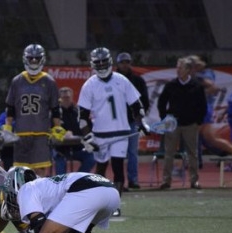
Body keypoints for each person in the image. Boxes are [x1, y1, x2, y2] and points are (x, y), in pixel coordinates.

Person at [78, 47, 149, 217]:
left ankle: (114, 205)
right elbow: (82, 116)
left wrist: (141, 123)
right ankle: (99, 204)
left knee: (118, 168)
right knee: (100, 171)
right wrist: (88, 136)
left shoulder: (121, 80)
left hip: (121, 133)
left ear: (109, 62)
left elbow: (136, 105)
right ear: (93, 64)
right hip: (101, 134)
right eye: (98, 62)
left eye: (104, 62)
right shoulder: (90, 85)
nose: (102, 65)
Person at [3, 44, 62, 177]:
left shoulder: (49, 81)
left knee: (40, 171)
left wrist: (57, 128)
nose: (34, 61)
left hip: (41, 133)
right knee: (20, 172)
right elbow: (11, 108)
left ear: (42, 59)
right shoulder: (17, 81)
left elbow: (55, 109)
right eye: (31, 58)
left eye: (37, 58)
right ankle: (21, 197)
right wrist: (7, 127)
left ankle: (39, 197)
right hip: (21, 134)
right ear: (25, 59)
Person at [157, 57, 207, 190]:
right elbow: (161, 102)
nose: (178, 70)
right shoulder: (171, 85)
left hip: (190, 124)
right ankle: (166, 181)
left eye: (181, 68)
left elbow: (202, 105)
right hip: (173, 124)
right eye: (177, 67)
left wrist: (198, 121)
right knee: (169, 153)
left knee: (192, 153)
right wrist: (164, 118)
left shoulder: (196, 86)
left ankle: (194, 181)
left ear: (189, 70)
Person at [188, 55, 232, 169]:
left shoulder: (205, 73)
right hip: (199, 109)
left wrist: (196, 80)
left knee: (191, 135)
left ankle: (189, 164)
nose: (196, 65)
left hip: (203, 109)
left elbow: (213, 87)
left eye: (197, 62)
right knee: (210, 139)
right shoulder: (192, 75)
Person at [115, 52, 150, 190]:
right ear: (118, 64)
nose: (125, 64)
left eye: (127, 62)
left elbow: (144, 101)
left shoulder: (138, 80)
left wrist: (139, 119)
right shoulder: (112, 79)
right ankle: (119, 181)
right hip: (116, 123)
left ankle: (133, 180)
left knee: (132, 152)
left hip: (132, 121)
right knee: (118, 153)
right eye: (122, 62)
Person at [52, 87, 95, 175]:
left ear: (72, 97)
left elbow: (87, 129)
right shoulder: (55, 113)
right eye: (64, 98)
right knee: (60, 160)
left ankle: (76, 179)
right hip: (60, 149)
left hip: (78, 147)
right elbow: (51, 130)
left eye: (68, 97)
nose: (66, 99)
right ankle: (61, 184)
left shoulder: (78, 112)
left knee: (91, 158)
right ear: (60, 98)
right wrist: (62, 134)